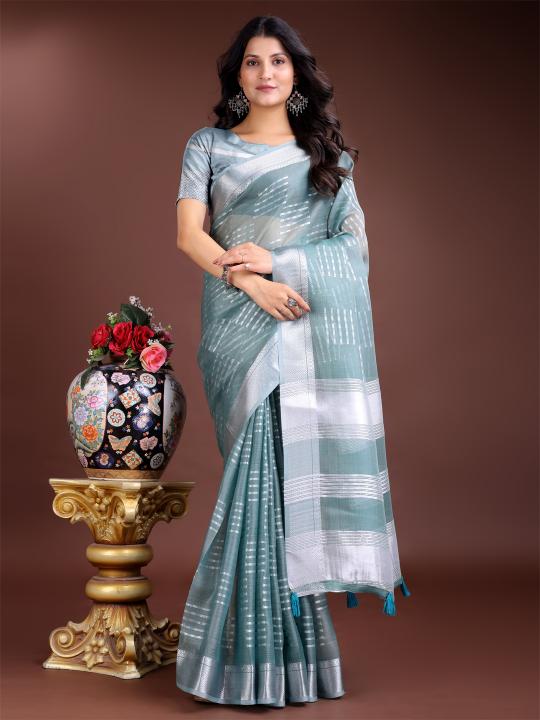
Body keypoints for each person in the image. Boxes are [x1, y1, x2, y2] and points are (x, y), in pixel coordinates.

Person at [173, 15, 410, 707]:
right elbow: (189, 235)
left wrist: (280, 262)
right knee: (255, 477)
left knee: (276, 484)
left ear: (298, 74)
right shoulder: (208, 145)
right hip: (237, 327)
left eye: (278, 61)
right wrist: (253, 284)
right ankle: (264, 659)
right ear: (238, 76)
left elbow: (353, 252)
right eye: (253, 62)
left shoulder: (324, 155)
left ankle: (272, 661)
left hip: (301, 332)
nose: (266, 73)